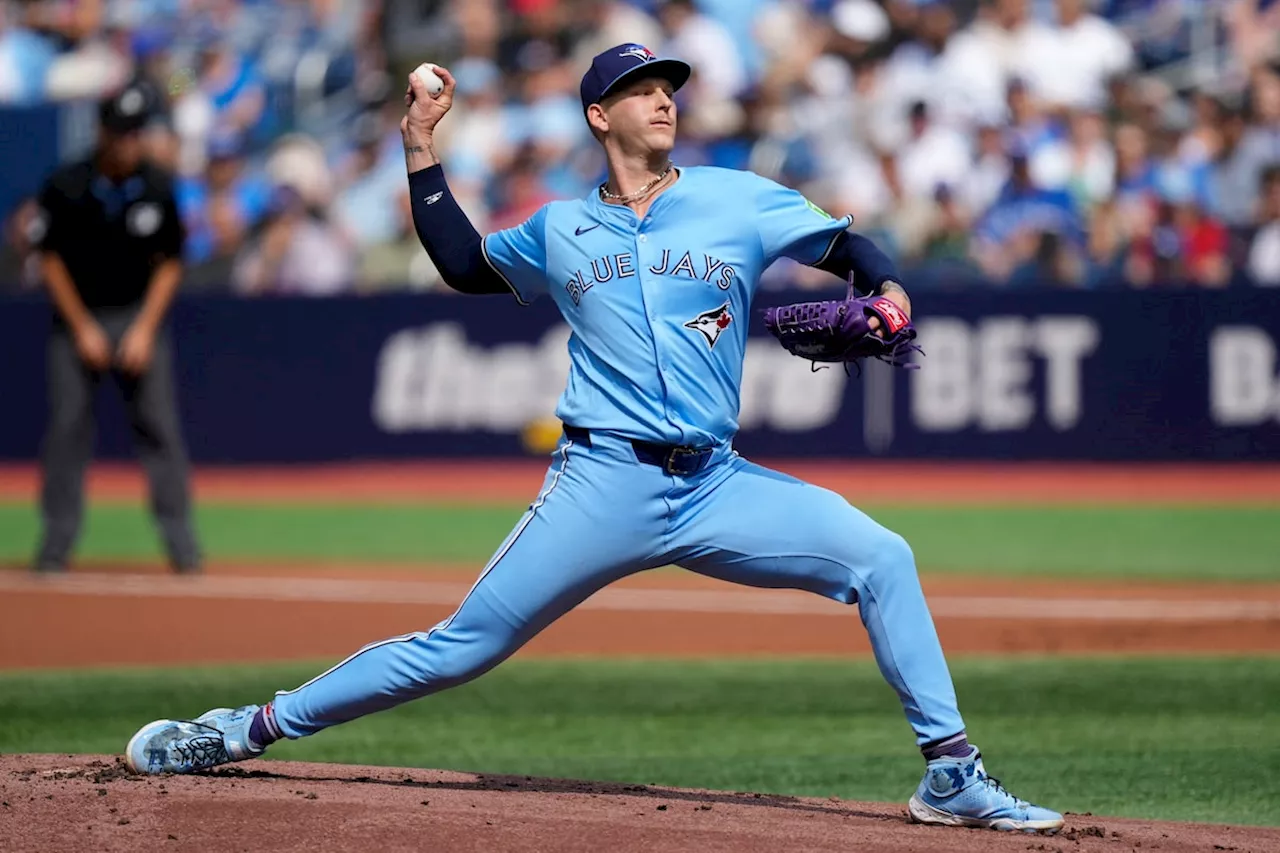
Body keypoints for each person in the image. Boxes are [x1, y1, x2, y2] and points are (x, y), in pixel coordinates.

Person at [124, 45, 1063, 835]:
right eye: (641, 89)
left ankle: (951, 775)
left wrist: (890, 291)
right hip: (600, 482)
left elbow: (853, 249)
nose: (664, 99)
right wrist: (418, 145)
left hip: (715, 483)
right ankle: (241, 729)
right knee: (458, 647)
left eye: (670, 88)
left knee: (882, 556)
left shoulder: (738, 197)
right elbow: (461, 263)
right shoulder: (560, 228)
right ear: (597, 116)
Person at [31, 79, 201, 574]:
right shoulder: (67, 184)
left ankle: (183, 549)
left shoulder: (156, 184)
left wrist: (145, 329)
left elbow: (171, 261)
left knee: (160, 430)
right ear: (103, 132)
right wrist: (81, 325)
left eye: (137, 132)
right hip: (78, 318)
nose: (130, 142)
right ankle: (55, 546)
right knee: (66, 429)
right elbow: (50, 258)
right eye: (122, 132)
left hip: (135, 313)